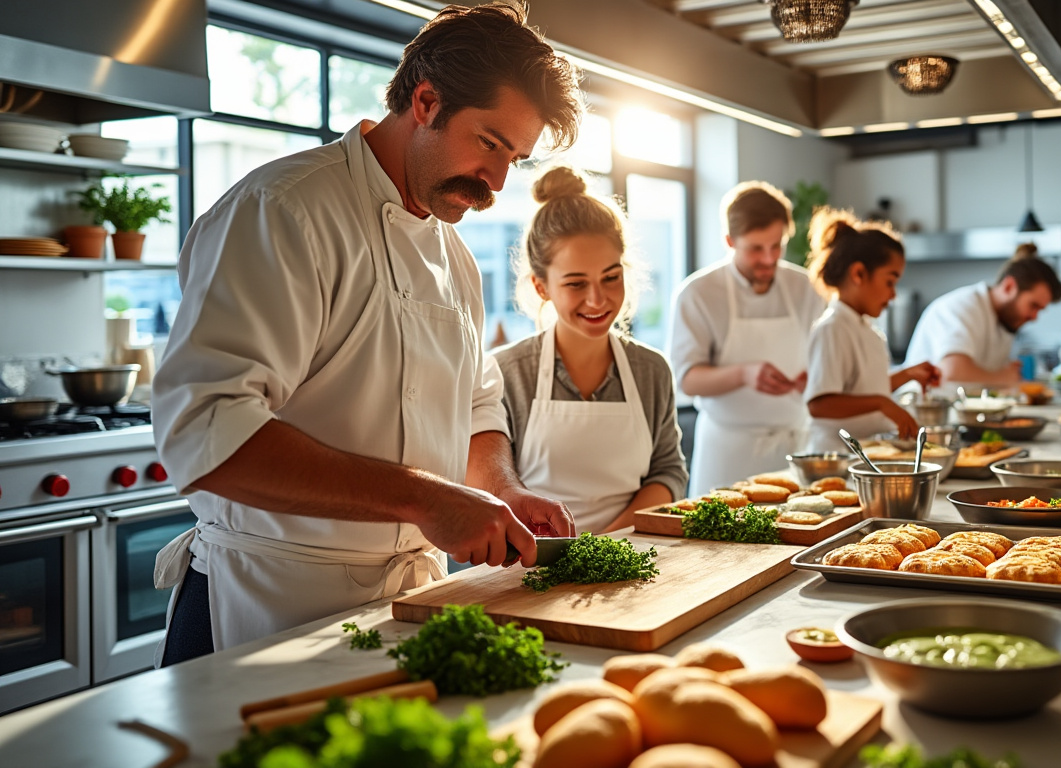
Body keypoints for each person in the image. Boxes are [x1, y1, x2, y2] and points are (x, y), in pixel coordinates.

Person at [149, 2, 582, 663]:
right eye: (489, 143)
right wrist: (427, 499)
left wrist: (502, 489)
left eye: (513, 159)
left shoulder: (456, 258)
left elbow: (474, 403)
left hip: (410, 603)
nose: (495, 183)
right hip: (266, 608)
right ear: (427, 101)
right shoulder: (285, 210)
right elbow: (205, 429)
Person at [492, 167, 687, 533]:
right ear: (541, 287)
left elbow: (668, 471)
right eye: (576, 283)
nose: (597, 299)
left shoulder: (651, 370)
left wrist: (605, 544)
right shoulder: (507, 373)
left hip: (634, 555)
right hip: (533, 565)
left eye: (611, 277)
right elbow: (494, 490)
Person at [669, 181, 826, 495]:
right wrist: (744, 374)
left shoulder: (806, 286)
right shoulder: (698, 293)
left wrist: (817, 378)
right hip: (728, 453)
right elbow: (687, 380)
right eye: (756, 248)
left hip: (796, 447)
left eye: (776, 245)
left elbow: (827, 352)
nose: (769, 259)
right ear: (729, 241)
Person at [801, 208, 940, 453]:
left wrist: (908, 374)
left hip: (865, 453)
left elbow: (864, 388)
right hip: (836, 457)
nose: (894, 294)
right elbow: (820, 404)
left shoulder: (866, 327)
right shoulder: (832, 328)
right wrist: (882, 404)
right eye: (890, 281)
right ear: (858, 274)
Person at [902, 243, 1061, 386]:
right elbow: (952, 373)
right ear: (1008, 287)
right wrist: (1002, 377)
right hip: (923, 415)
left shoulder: (1004, 320)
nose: (1034, 317)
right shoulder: (963, 307)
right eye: (1033, 306)